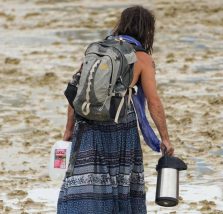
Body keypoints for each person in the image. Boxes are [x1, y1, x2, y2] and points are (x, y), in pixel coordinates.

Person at [57, 6, 174, 214]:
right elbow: (154, 102)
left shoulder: (98, 49)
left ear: (122, 24)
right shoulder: (142, 59)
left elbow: (76, 92)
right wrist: (165, 138)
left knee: (89, 181)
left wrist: (68, 130)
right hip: (120, 126)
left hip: (88, 125)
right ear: (147, 30)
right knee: (121, 182)